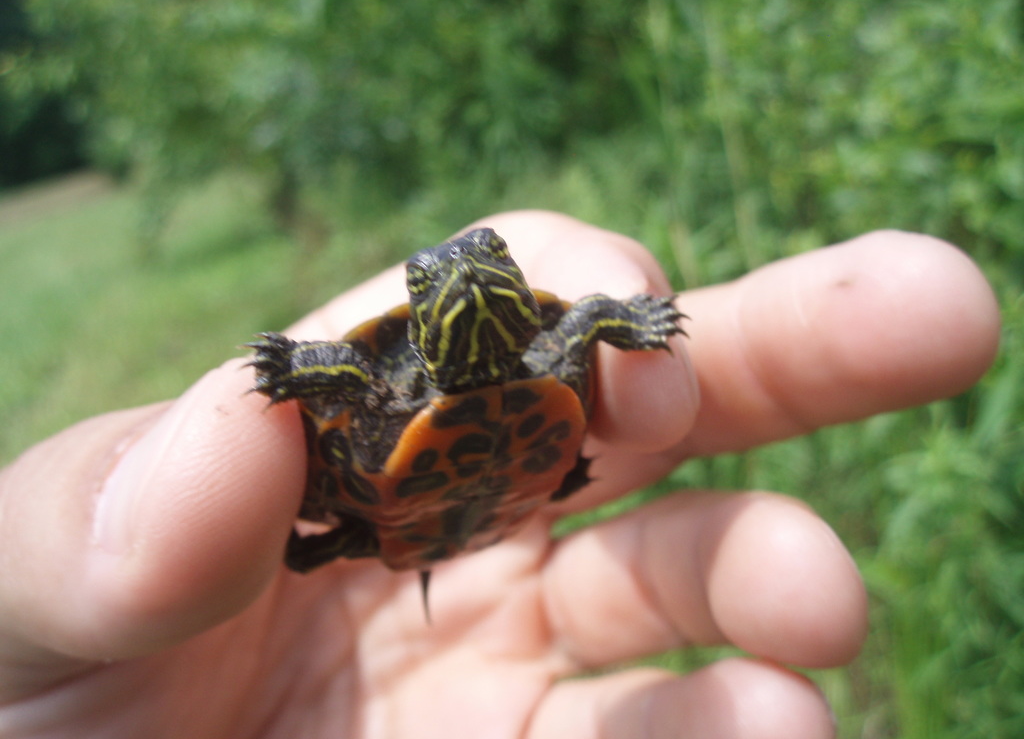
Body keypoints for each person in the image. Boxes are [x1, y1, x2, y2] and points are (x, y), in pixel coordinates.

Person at [0, 211, 1000, 738]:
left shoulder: (549, 335)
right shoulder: (380, 375)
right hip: (397, 518)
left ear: (512, 286)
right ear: (427, 308)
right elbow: (339, 390)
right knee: (316, 524)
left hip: (491, 499)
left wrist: (629, 320)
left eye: (485, 262)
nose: (465, 272)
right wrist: (298, 370)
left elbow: (586, 322)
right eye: (438, 277)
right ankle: (360, 532)